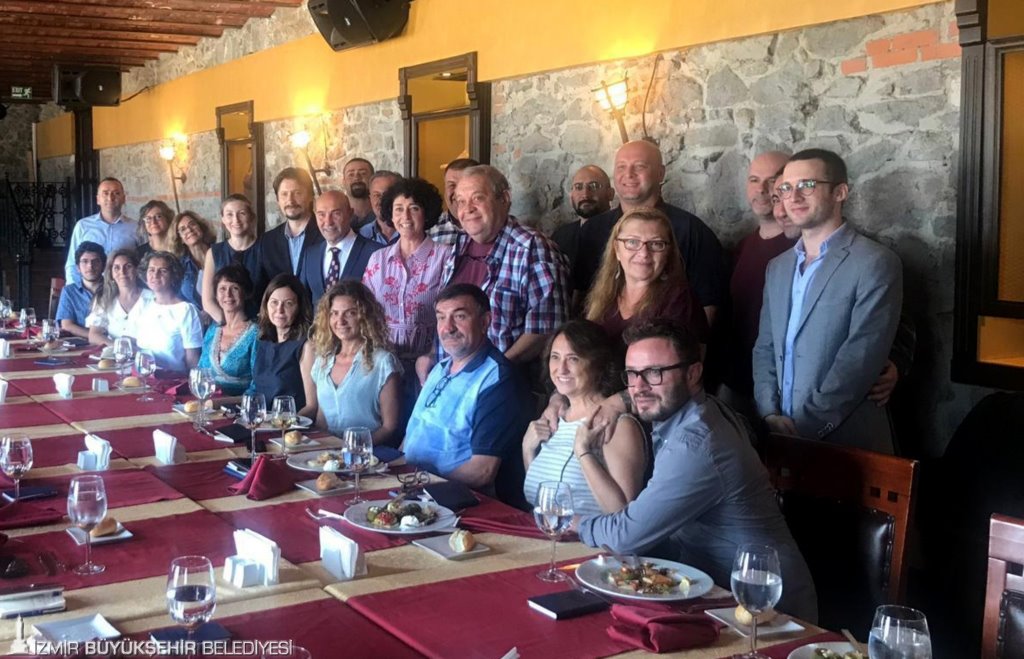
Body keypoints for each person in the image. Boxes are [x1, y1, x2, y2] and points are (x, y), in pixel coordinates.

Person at [575, 320, 818, 622]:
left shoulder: (696, 444)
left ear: (693, 373)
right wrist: (619, 401)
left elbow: (626, 537)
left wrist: (576, 523)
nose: (639, 387)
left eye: (654, 373)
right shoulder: (699, 411)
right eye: (632, 374)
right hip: (717, 595)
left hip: (768, 609)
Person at [753, 149, 903, 453]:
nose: (794, 196)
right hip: (780, 433)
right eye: (786, 188)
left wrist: (805, 428)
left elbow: (858, 360)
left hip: (847, 442)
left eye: (807, 185)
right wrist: (768, 414)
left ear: (840, 192)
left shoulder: (875, 262)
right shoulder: (777, 267)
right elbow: (765, 347)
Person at [403, 284, 532, 507]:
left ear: (484, 322)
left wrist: (422, 487)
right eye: (441, 318)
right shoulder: (439, 368)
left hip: (456, 503)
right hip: (414, 488)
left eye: (459, 316)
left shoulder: (497, 379)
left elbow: (482, 471)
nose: (448, 327)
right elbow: (410, 439)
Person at [575, 140, 727, 326]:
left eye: (639, 166)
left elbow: (708, 307)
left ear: (660, 173)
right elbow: (581, 295)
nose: (629, 174)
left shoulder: (692, 231)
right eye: (621, 167)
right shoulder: (592, 230)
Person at [433, 165, 569, 369]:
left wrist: (493, 371)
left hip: (507, 379)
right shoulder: (458, 247)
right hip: (453, 375)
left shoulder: (532, 248)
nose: (468, 209)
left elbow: (546, 329)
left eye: (477, 198)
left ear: (504, 199)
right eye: (461, 201)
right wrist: (431, 356)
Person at [522, 320, 646, 516]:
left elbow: (623, 514)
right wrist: (528, 450)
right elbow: (539, 502)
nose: (561, 368)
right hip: (544, 532)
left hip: (586, 536)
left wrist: (584, 453)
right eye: (555, 357)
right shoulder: (555, 417)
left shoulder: (616, 424)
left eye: (573, 358)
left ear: (599, 364)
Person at [717, 152, 796, 411]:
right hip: (738, 379)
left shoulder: (804, 247)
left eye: (772, 181)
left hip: (784, 386)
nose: (761, 189)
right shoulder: (742, 247)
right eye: (754, 180)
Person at [584, 208, 708, 347]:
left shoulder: (679, 299)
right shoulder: (606, 294)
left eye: (655, 244)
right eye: (632, 242)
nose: (644, 253)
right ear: (617, 249)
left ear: (668, 252)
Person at [301, 280, 402, 446]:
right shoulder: (322, 361)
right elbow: (322, 420)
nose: (340, 321)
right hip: (327, 453)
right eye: (334, 313)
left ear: (365, 316)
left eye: (350, 313)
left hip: (367, 454)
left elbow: (389, 427)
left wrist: (353, 448)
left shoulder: (383, 362)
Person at [363, 177, 451, 368]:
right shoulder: (378, 259)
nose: (406, 217)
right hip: (383, 363)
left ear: (426, 214)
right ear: (391, 215)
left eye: (414, 208)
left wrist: (431, 356)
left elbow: (451, 314)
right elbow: (365, 310)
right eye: (399, 209)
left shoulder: (445, 257)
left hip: (431, 363)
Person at [299, 190, 381, 309]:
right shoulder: (311, 255)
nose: (328, 222)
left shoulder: (376, 253)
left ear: (350, 213)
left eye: (336, 213)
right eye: (321, 214)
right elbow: (303, 302)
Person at [250, 274, 316, 417]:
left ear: (299, 307)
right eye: (274, 302)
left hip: (291, 426)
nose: (279, 310)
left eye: (288, 304)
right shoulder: (263, 340)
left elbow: (312, 407)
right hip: (263, 422)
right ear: (266, 305)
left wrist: (284, 425)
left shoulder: (306, 346)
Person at [136, 251, 203, 373]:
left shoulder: (186, 310)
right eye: (151, 270)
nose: (155, 275)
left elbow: (192, 361)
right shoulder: (144, 305)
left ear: (173, 276)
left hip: (174, 380)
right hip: (144, 377)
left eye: (163, 271)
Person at [198, 265, 258, 395]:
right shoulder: (213, 330)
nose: (228, 295)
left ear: (246, 293)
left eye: (235, 288)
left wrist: (225, 402)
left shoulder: (256, 333)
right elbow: (200, 373)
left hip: (242, 405)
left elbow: (258, 385)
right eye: (222, 289)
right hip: (209, 401)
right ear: (216, 294)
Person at [65, 178, 138, 284]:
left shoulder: (136, 227)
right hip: (90, 289)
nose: (110, 198)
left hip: (123, 288)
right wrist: (75, 290)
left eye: (116, 193)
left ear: (123, 199)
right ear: (98, 199)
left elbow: (142, 263)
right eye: (105, 193)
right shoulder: (83, 226)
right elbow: (72, 263)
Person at [258, 168, 323, 286]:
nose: (290, 200)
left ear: (310, 196)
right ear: (278, 200)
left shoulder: (326, 234)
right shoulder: (267, 241)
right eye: (284, 194)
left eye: (297, 193)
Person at [203, 195, 260, 323]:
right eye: (229, 214)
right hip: (224, 323)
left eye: (242, 213)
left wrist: (253, 328)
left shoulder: (265, 248)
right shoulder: (213, 253)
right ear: (223, 219)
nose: (236, 219)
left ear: (251, 217)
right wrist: (229, 325)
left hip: (260, 324)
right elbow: (208, 300)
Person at [552, 165, 614, 275]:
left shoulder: (620, 233)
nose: (585, 194)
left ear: (610, 194)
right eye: (578, 187)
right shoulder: (560, 236)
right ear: (571, 196)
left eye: (594, 186)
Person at [86, 248, 154, 346]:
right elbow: (93, 335)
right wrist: (118, 347)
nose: (122, 272)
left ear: (136, 270)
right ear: (111, 273)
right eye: (117, 268)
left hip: (147, 353)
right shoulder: (105, 299)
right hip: (114, 353)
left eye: (128, 266)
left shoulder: (152, 298)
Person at [56, 241, 106, 339]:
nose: (90, 266)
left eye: (95, 261)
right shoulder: (69, 292)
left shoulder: (113, 290)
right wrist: (96, 337)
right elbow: (67, 325)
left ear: (103, 266)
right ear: (78, 268)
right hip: (79, 344)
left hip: (110, 344)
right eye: (85, 261)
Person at [428, 157, 479, 246]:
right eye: (452, 185)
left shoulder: (493, 227)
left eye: (465, 185)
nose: (458, 192)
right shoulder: (430, 228)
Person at [169, 210, 215, 309]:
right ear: (180, 239)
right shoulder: (180, 266)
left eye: (192, 224)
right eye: (183, 229)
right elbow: (178, 299)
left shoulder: (220, 253)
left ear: (201, 227)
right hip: (196, 316)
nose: (189, 230)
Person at [359, 171, 402, 245]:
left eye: (387, 194)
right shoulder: (362, 235)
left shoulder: (413, 232)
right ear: (370, 199)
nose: (381, 200)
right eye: (376, 195)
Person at [343, 158, 375, 228]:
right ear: (343, 181)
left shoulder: (383, 214)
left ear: (373, 179)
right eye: (351, 174)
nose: (357, 178)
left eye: (363, 173)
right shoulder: (338, 216)